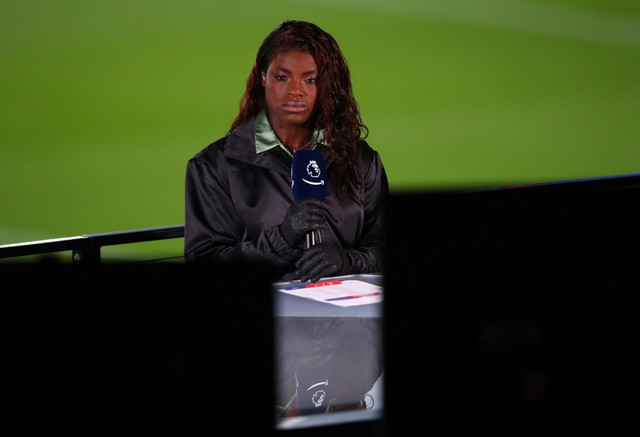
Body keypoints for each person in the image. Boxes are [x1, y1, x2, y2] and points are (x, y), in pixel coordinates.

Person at [184, 20, 388, 283]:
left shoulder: (361, 159)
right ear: (263, 77)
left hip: (348, 308)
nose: (295, 91)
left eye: (310, 79)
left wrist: (347, 261)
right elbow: (206, 259)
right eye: (282, 77)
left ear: (327, 85)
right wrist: (281, 239)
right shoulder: (214, 166)